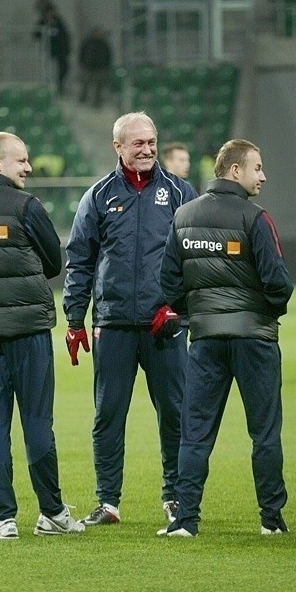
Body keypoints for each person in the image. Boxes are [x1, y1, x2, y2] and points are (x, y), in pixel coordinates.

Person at [0, 131, 85, 539]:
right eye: (20, 160)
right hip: (28, 332)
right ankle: (52, 514)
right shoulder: (26, 206)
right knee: (38, 423)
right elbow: (53, 262)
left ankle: (3, 518)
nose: (27, 167)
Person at [63, 111, 199, 528]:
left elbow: (196, 258)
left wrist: (181, 310)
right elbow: (79, 260)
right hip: (114, 323)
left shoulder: (180, 192)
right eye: (137, 143)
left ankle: (175, 498)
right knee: (108, 414)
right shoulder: (98, 195)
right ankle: (108, 502)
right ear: (118, 147)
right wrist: (74, 318)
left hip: (166, 325)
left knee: (175, 412)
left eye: (151, 141)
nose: (147, 149)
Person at [158, 138, 294, 538]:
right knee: (264, 433)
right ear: (236, 171)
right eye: (257, 167)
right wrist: (263, 313)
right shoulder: (256, 218)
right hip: (255, 340)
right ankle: (271, 520)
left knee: (195, 433)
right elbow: (279, 284)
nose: (263, 176)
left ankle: (186, 521)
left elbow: (168, 283)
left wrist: (198, 313)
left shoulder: (183, 216)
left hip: (205, 340)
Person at [34, 3, 71, 95]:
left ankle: (60, 86)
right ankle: (47, 88)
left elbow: (65, 36)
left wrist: (67, 49)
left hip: (61, 50)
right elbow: (36, 34)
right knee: (47, 69)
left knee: (64, 68)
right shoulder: (42, 22)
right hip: (49, 50)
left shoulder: (59, 22)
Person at [78, 27, 112, 108]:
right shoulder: (87, 43)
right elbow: (82, 53)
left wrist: (106, 66)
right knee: (86, 83)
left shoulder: (104, 44)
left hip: (100, 68)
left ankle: (97, 101)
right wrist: (82, 64)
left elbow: (108, 56)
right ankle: (83, 98)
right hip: (89, 66)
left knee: (99, 85)